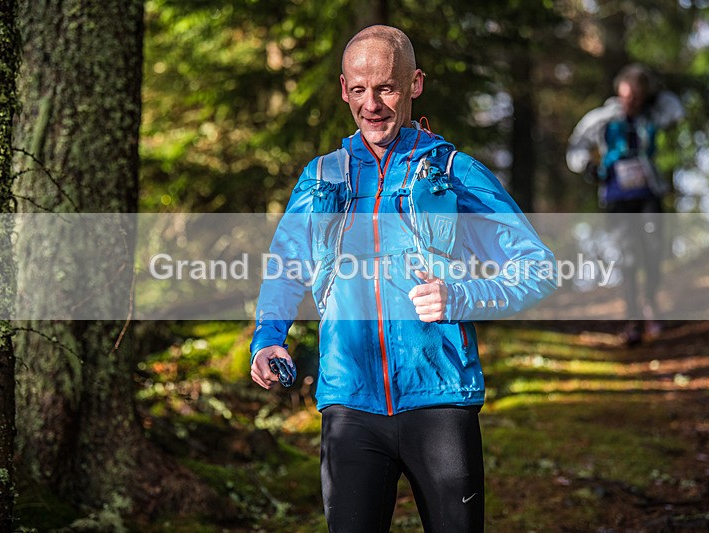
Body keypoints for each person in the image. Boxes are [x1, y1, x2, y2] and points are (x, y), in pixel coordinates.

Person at [250, 25, 555, 532]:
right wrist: (268, 339)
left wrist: (462, 295)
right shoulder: (322, 177)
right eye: (359, 90)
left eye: (386, 88)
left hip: (440, 400)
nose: (372, 104)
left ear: (414, 84)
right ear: (344, 88)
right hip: (348, 405)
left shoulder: (452, 172)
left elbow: (537, 267)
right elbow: (285, 265)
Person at [566, 64, 684, 345]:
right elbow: (575, 147)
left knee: (655, 251)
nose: (629, 102)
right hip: (617, 200)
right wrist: (588, 167)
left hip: (648, 195)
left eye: (636, 96)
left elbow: (676, 110)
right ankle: (632, 320)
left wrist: (654, 95)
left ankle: (650, 304)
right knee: (628, 258)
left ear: (644, 96)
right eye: (626, 96)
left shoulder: (653, 114)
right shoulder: (602, 118)